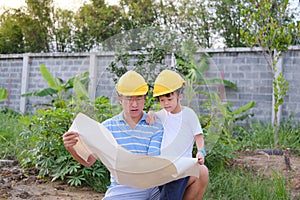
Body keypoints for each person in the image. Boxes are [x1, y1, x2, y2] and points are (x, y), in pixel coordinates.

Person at [63, 70, 165, 199]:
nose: (134, 104)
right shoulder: (107, 128)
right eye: (129, 98)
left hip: (154, 187)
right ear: (119, 98)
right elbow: (89, 161)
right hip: (123, 189)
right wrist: (71, 148)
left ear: (145, 98)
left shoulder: (155, 124)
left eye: (139, 98)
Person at [150, 69, 209, 200]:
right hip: (163, 168)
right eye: (162, 100)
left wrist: (201, 151)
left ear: (180, 96)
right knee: (167, 194)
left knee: (169, 196)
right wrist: (150, 114)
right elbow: (152, 115)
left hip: (181, 167)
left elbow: (198, 136)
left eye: (169, 99)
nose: (166, 104)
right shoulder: (162, 114)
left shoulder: (189, 115)